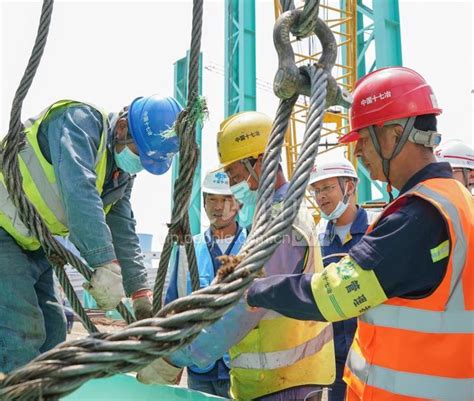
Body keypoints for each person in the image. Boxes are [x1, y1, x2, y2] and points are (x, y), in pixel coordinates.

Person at [246, 67, 473, 400]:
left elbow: (333, 294)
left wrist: (256, 290)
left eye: (364, 139)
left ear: (395, 135)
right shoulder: (456, 201)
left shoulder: (419, 216)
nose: (358, 152)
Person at [138, 111, 335, 401]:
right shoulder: (274, 216)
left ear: (259, 162)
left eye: (236, 175)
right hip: (274, 381)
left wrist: (173, 358)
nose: (233, 185)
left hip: (284, 385)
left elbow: (242, 308)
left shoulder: (281, 224)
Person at [0, 95, 182, 373]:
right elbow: (79, 192)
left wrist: (140, 295)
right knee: (22, 330)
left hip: (32, 244)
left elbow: (122, 227)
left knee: (53, 332)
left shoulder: (119, 172)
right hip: (4, 232)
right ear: (121, 127)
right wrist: (104, 263)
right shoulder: (77, 122)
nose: (139, 166)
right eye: (139, 154)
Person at [144, 171, 245, 397]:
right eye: (212, 200)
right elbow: (173, 306)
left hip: (240, 366)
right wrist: (171, 355)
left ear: (238, 204)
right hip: (198, 365)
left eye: (226, 199)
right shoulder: (187, 249)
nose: (219, 207)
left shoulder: (252, 247)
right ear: (204, 203)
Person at [308, 158, 375, 401]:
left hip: (373, 356)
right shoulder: (316, 239)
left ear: (350, 187)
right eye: (316, 191)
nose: (321, 197)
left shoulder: (376, 230)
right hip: (334, 360)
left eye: (327, 188)